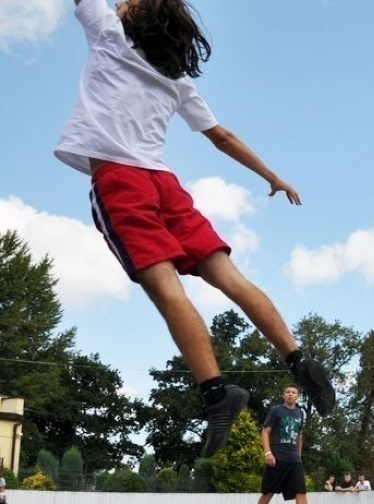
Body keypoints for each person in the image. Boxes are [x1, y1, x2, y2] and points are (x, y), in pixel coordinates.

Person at [53, 0, 336, 458]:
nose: (121, 3)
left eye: (129, 2)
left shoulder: (109, 34)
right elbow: (221, 137)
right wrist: (271, 176)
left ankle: (216, 392)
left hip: (123, 182)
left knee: (167, 291)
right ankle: (298, 357)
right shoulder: (176, 79)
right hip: (166, 185)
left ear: (136, 19)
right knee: (230, 278)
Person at [247, 384, 326, 504]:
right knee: (268, 491)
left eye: (293, 392)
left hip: (294, 460)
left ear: (298, 397)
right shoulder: (276, 411)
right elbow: (265, 431)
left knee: (301, 491)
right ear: (284, 396)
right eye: (288, 392)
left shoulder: (300, 413)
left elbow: (299, 435)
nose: (290, 394)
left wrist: (299, 455)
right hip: (277, 457)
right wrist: (268, 453)